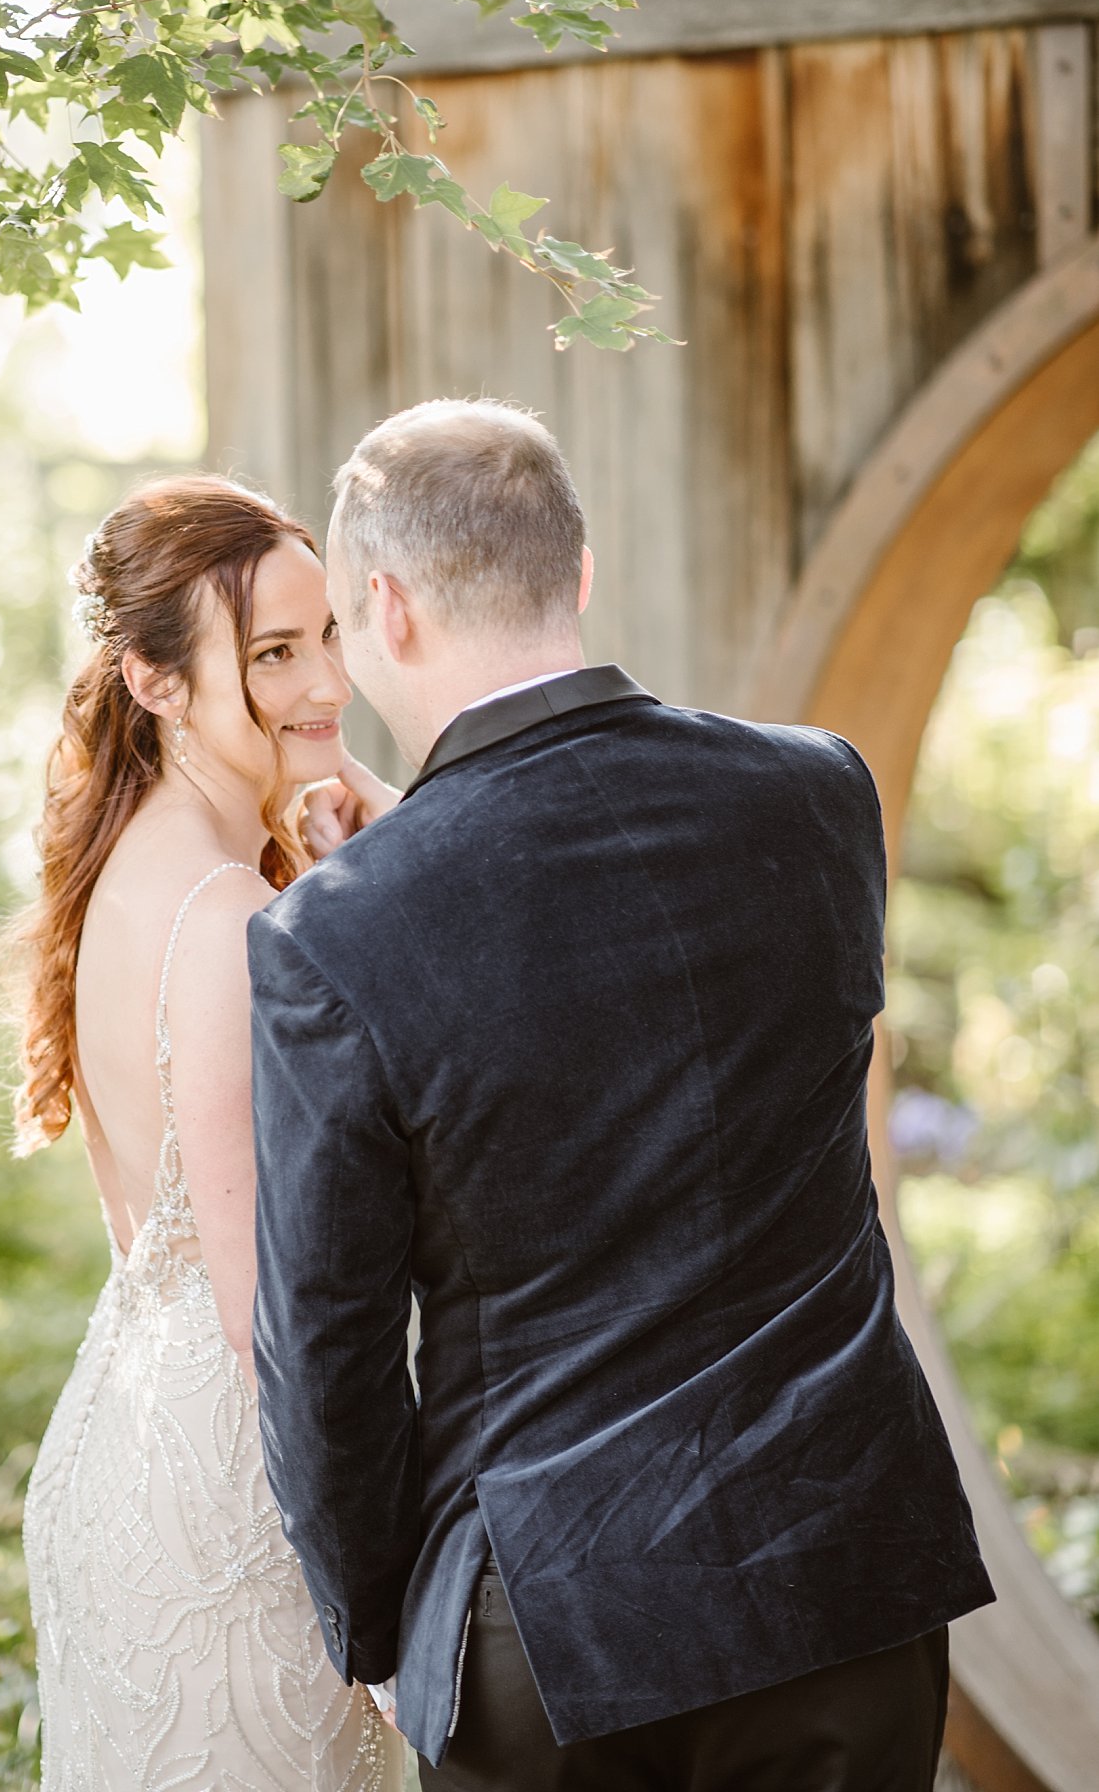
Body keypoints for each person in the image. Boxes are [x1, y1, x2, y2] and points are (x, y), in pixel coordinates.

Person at [248, 400, 996, 1792]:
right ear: (578, 575)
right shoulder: (822, 795)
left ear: (385, 610)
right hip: (848, 1572)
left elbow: (329, 1340)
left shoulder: (335, 936)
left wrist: (375, 1619)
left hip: (552, 1624)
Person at [11, 475, 404, 1792]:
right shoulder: (228, 915)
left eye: (332, 635)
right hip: (236, 1501)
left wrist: (332, 793)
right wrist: (380, 1595)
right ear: (158, 683)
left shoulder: (135, 862)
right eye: (274, 656)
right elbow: (262, 1298)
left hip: (127, 1440)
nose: (326, 684)